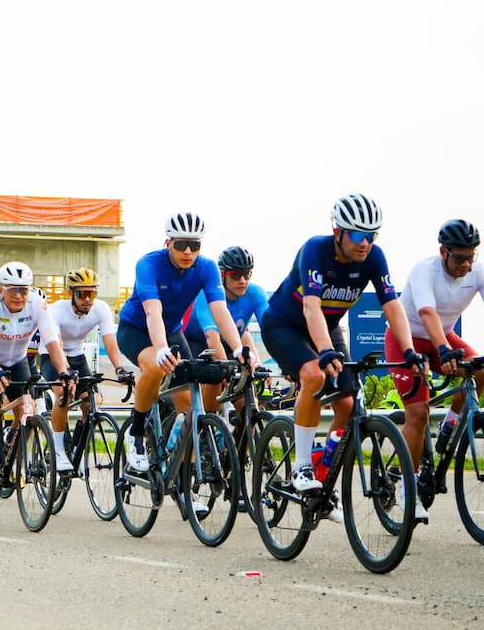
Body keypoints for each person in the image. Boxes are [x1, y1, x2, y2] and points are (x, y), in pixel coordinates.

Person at [261, 193, 425, 506]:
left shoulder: (375, 258)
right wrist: (324, 352)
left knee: (347, 404)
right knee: (314, 375)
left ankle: (324, 472)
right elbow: (311, 308)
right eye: (358, 235)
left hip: (329, 325)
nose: (366, 243)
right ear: (338, 232)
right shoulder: (315, 250)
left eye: (372, 235)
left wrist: (408, 351)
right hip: (285, 324)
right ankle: (303, 466)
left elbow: (391, 305)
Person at [115, 212, 245, 482]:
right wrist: (161, 348)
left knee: (189, 411)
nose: (188, 251)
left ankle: (185, 481)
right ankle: (136, 432)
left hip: (173, 332)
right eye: (181, 245)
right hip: (136, 330)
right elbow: (153, 311)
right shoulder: (149, 264)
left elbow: (221, 312)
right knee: (154, 366)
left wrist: (238, 349)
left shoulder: (206, 268)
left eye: (194, 246)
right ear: (168, 244)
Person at [386, 219, 484, 521]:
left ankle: (450, 426)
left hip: (443, 336)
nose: (465, 264)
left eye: (471, 256)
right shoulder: (423, 270)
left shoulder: (476, 269)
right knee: (418, 412)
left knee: (480, 371)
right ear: (443, 251)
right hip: (408, 339)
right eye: (459, 257)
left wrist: (445, 346)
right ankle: (407, 487)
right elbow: (427, 313)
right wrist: (442, 349)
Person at [0, 262, 70, 478]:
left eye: (23, 290)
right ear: (1, 289)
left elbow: (52, 342)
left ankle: (11, 447)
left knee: (27, 409)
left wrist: (63, 372)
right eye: (13, 289)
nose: (19, 296)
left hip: (17, 359)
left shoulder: (37, 304)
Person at [42, 268, 134, 473]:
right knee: (63, 395)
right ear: (70, 294)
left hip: (77, 355)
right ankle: (58, 450)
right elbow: (56, 344)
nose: (87, 299)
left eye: (91, 294)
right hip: (52, 355)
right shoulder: (56, 310)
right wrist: (65, 371)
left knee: (92, 402)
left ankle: (76, 449)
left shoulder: (101, 309)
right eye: (81, 294)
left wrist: (120, 368)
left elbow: (110, 341)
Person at [182, 246, 268, 415]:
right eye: (236, 275)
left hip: (229, 344)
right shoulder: (208, 292)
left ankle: (244, 437)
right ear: (222, 275)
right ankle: (208, 431)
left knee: (247, 406)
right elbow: (211, 337)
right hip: (197, 344)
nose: (242, 280)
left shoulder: (256, 293)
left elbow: (272, 330)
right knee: (215, 375)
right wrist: (227, 373)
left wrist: (260, 365)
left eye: (247, 274)